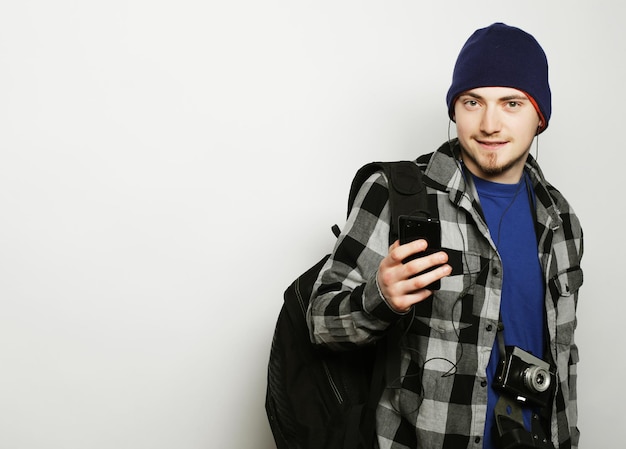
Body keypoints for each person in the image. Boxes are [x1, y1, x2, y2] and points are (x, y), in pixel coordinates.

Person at [307, 23, 583, 449]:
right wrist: (380, 296)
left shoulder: (560, 220)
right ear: (455, 109)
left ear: (539, 116)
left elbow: (563, 362)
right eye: (473, 102)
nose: (490, 123)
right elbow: (321, 323)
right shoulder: (396, 193)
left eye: (511, 103)